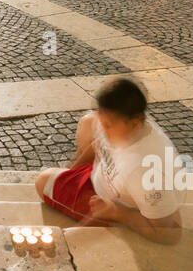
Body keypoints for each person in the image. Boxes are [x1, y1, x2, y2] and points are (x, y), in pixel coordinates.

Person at [34, 78, 184, 244]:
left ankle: (113, 223)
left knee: (43, 181)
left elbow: (170, 234)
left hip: (112, 204)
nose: (102, 128)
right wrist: (71, 172)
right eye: (102, 120)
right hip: (109, 175)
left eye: (108, 125)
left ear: (135, 122)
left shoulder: (144, 172)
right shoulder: (121, 125)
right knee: (88, 121)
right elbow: (97, 143)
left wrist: (117, 212)